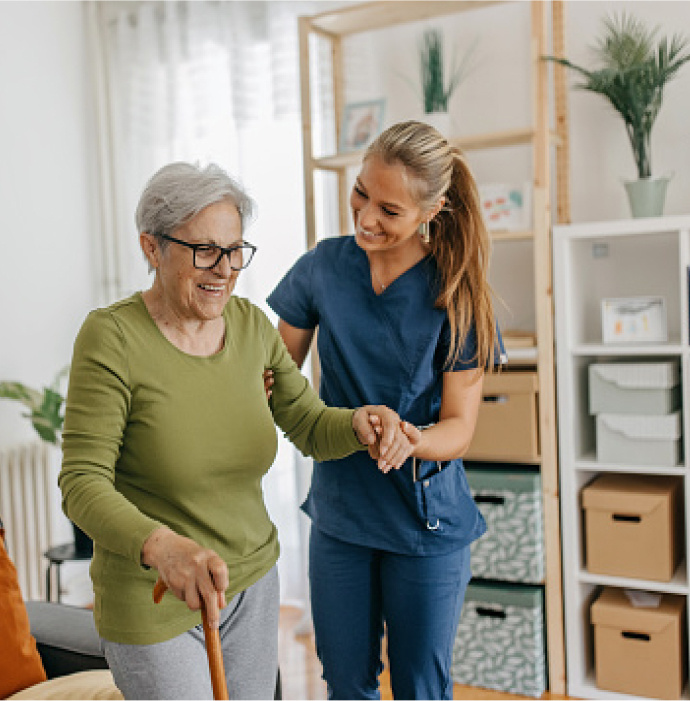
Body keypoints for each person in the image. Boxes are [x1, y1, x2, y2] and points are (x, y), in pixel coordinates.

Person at [58, 162, 414, 700]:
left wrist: (360, 423)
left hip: (250, 581)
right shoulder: (112, 338)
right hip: (154, 593)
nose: (223, 268)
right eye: (203, 249)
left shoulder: (250, 327)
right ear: (152, 248)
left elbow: (309, 424)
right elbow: (82, 482)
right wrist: (162, 547)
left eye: (234, 250)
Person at [267, 120, 505, 700]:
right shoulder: (322, 268)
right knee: (346, 685)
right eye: (361, 194)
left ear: (432, 210)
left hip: (425, 523)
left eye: (389, 210)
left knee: (421, 688)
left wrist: (411, 439)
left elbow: (459, 428)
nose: (366, 217)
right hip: (341, 516)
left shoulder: (457, 293)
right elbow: (273, 381)